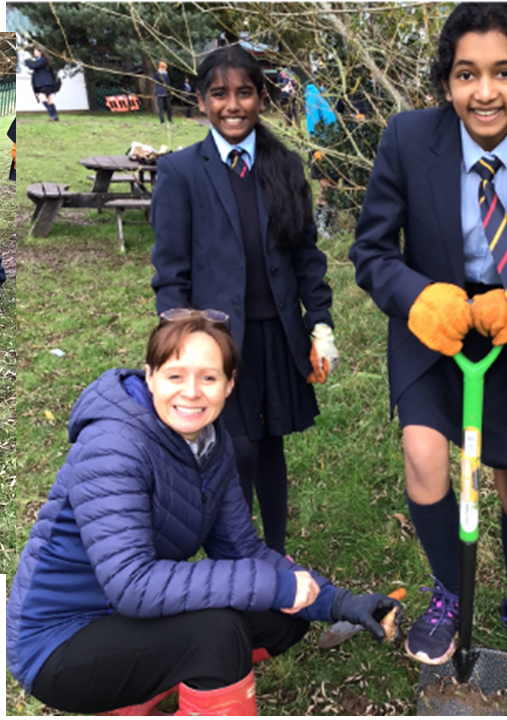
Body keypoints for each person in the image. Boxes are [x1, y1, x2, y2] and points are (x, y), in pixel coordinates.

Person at [347, 2, 507, 681]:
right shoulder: (408, 139)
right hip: (432, 321)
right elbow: (372, 251)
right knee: (424, 456)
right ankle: (449, 588)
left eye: (505, 73)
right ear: (446, 81)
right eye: (467, 74)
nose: (485, 92)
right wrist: (416, 297)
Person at [5, 312, 402, 716]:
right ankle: (128, 695)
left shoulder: (211, 442)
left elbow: (241, 547)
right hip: (56, 644)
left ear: (229, 384)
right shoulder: (113, 444)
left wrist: (337, 602)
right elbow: (131, 582)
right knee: (217, 634)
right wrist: (270, 583)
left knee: (286, 616)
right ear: (150, 376)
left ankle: (144, 687)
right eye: (175, 376)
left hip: (123, 617)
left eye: (208, 378)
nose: (191, 392)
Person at [150, 44, 337, 555]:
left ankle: (273, 553)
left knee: (271, 443)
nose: (233, 105)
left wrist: (319, 325)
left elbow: (306, 256)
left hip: (277, 334)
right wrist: (182, 341)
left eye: (245, 93)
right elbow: (171, 271)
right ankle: (235, 554)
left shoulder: (285, 167)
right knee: (238, 450)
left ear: (261, 97)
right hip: (216, 343)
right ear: (201, 100)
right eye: (219, 94)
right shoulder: (182, 172)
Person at [25, 47, 59, 122]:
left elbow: (33, 67)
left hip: (45, 83)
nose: (34, 53)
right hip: (46, 83)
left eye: (35, 51)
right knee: (50, 100)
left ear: (40, 52)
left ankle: (52, 115)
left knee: (42, 98)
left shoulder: (42, 61)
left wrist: (27, 61)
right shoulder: (39, 60)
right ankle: (55, 116)